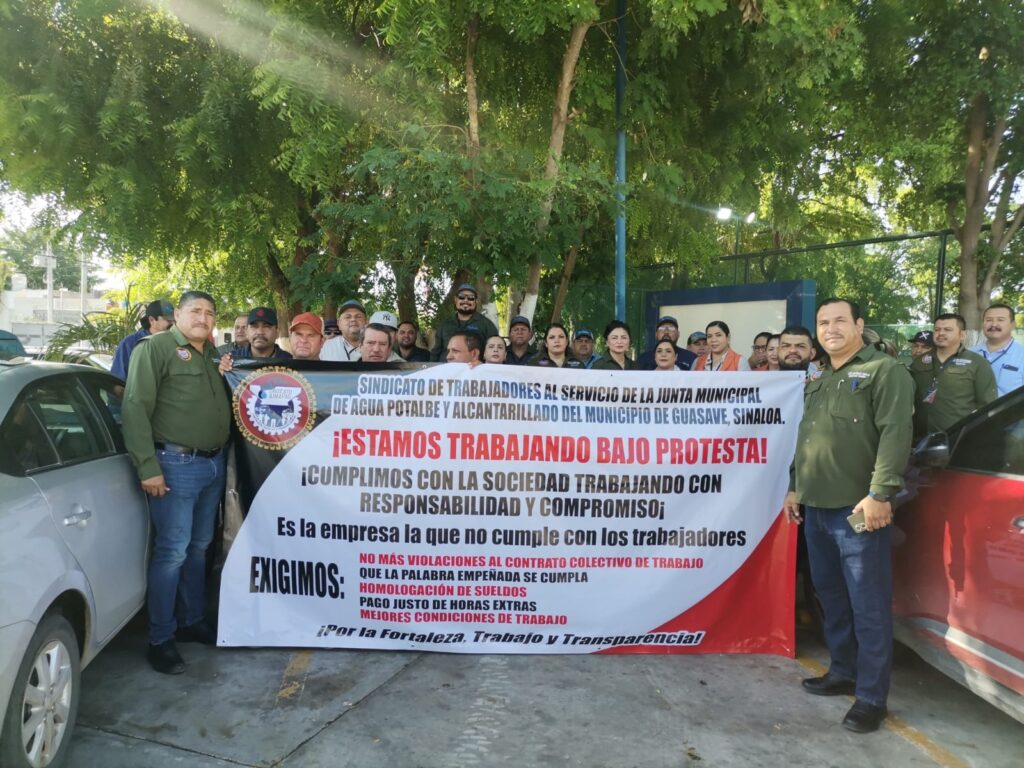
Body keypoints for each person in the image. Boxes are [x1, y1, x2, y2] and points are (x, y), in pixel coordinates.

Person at [783, 298, 914, 734]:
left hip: (859, 510)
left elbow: (896, 433)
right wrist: (794, 486)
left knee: (868, 604)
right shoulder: (819, 376)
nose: (831, 328)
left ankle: (872, 698)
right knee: (831, 597)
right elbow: (808, 437)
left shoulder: (884, 371)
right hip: (816, 506)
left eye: (840, 320)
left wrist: (880, 493)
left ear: (859, 325)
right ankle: (843, 671)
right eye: (823, 322)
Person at [122, 291, 232, 675]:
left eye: (210, 312)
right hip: (174, 465)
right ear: (178, 314)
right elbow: (135, 407)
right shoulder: (155, 349)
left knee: (199, 548)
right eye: (195, 311)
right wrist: (147, 467)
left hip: (213, 463)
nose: (203, 318)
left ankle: (190, 621)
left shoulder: (214, 355)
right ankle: (161, 638)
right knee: (172, 551)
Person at [910, 313, 997, 437]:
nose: (941, 333)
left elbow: (987, 405)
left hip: (957, 437)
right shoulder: (919, 362)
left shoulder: (977, 363)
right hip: (921, 438)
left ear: (962, 335)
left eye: (948, 330)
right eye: (937, 329)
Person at [430, 283, 499, 361]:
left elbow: (495, 352)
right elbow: (435, 353)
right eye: (462, 297)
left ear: (476, 301)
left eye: (471, 298)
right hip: (446, 367)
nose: (466, 300)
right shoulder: (445, 324)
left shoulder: (487, 325)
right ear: (455, 300)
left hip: (475, 368)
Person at [111, 299, 175, 380]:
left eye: (174, 319)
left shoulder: (176, 341)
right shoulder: (130, 343)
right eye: (168, 320)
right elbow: (118, 379)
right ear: (152, 320)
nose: (173, 323)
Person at [972, 303, 1024, 397]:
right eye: (988, 320)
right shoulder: (970, 354)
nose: (994, 324)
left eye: (1000, 320)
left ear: (1013, 325)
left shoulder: (1021, 355)